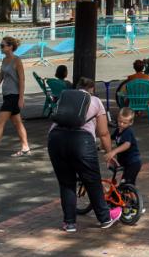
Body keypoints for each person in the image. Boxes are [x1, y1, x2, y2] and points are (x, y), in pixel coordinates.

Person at [47, 77, 121, 231]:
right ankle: (105, 218)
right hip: (81, 142)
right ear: (92, 89)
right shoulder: (94, 101)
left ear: (77, 88)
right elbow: (104, 133)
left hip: (55, 139)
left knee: (66, 183)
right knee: (92, 181)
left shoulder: (65, 98)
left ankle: (69, 223)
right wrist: (109, 153)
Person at [106, 107, 143, 186]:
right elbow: (109, 139)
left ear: (130, 123)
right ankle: (123, 196)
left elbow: (127, 144)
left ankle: (131, 197)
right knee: (121, 182)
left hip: (133, 162)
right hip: (124, 162)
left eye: (124, 123)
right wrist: (100, 146)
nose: (121, 124)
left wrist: (114, 151)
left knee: (126, 184)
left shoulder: (128, 131)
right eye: (120, 121)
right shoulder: (118, 130)